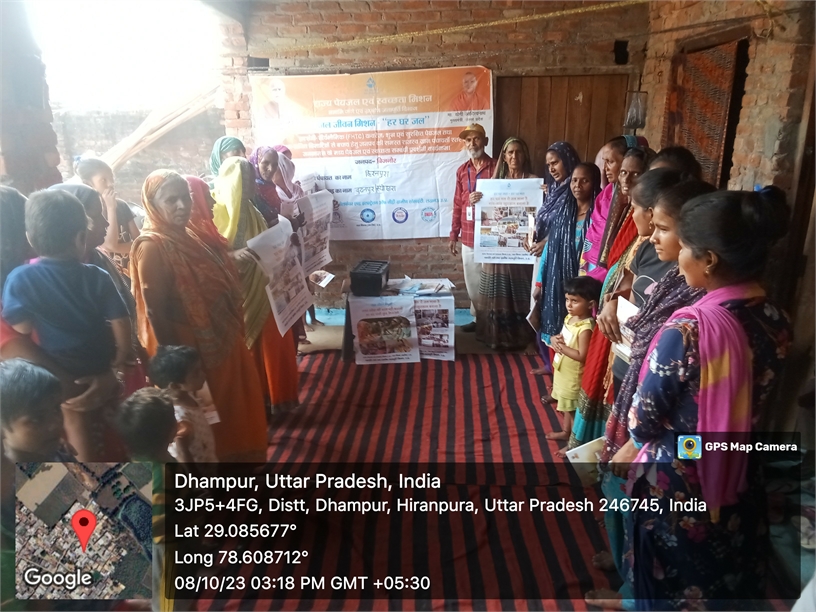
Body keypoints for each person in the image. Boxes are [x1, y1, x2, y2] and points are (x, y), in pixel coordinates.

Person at [625, 187, 792, 609]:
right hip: (739, 469)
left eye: (684, 247)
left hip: (682, 483)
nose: (678, 257)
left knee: (674, 584)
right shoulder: (776, 319)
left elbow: (643, 420)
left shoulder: (687, 331)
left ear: (709, 260)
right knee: (724, 577)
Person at [584, 175, 716, 610]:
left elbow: (666, 387)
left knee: (652, 519)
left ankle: (633, 592)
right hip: (670, 425)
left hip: (666, 438)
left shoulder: (691, 315)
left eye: (662, 227)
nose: (652, 235)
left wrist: (636, 440)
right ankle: (629, 579)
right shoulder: (698, 291)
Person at [130, 169, 268, 462]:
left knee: (236, 399)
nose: (182, 206)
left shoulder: (191, 234)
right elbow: (154, 309)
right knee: (208, 410)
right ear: (153, 204)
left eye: (186, 198)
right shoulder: (152, 246)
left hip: (222, 334)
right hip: (190, 346)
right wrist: (175, 360)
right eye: (171, 200)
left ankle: (245, 459)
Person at [2, 190, 133, 461]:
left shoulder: (21, 279)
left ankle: (88, 471)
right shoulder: (94, 273)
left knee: (77, 418)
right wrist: (117, 362)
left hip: (66, 373)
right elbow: (121, 319)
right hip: (93, 366)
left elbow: (22, 328)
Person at [212, 157, 300, 415]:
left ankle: (277, 398)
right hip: (242, 292)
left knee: (273, 343)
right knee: (251, 348)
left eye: (252, 177)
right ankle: (258, 402)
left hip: (265, 285)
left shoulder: (252, 208)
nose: (252, 183)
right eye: (246, 179)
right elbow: (212, 255)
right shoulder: (218, 213)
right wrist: (233, 255)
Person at [472, 137, 537, 350]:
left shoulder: (534, 182)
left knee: (521, 290)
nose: (514, 156)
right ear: (504, 157)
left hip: (521, 250)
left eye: (518, 152)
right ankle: (495, 336)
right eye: (510, 152)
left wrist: (544, 193)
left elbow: (539, 213)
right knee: (495, 289)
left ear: (524, 155)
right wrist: (475, 200)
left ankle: (521, 337)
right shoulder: (493, 184)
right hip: (496, 251)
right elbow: (484, 212)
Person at [532, 151, 591, 376]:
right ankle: (554, 370)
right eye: (574, 181)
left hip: (582, 283)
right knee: (552, 321)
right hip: (556, 280)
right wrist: (540, 282)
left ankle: (569, 380)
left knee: (577, 330)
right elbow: (550, 248)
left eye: (584, 181)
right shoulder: (565, 212)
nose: (577, 186)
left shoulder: (597, 217)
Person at [545, 276, 601, 457]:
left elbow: (582, 355)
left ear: (591, 304)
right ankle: (565, 431)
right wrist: (555, 339)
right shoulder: (570, 318)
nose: (569, 305)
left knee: (572, 409)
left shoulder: (586, 328)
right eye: (567, 299)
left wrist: (561, 347)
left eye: (575, 301)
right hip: (563, 370)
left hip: (574, 376)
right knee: (565, 406)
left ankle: (573, 443)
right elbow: (562, 337)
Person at [449, 123, 497, 331]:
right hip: (468, 234)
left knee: (492, 279)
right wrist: (454, 234)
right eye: (468, 140)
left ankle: (492, 322)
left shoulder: (497, 166)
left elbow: (508, 194)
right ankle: (479, 319)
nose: (472, 143)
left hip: (492, 234)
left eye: (476, 138)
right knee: (473, 280)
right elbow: (457, 203)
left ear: (485, 141)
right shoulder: (462, 171)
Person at [581, 136, 649, 282]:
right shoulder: (607, 195)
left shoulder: (640, 209)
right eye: (624, 172)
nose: (605, 168)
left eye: (610, 162)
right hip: (595, 266)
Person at [148, 345, 218, 463]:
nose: (203, 374)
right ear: (175, 386)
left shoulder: (187, 396)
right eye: (196, 373)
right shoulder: (180, 417)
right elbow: (182, 454)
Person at [74, 157, 141, 275]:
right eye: (103, 180)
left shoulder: (122, 206)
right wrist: (111, 209)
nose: (110, 184)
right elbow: (109, 244)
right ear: (88, 184)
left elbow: (140, 242)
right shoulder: (89, 214)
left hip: (132, 270)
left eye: (111, 178)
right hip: (110, 273)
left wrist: (117, 247)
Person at [0, 359, 75, 462]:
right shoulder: (9, 471)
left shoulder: (58, 452)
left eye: (56, 409)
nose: (55, 424)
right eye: (36, 419)